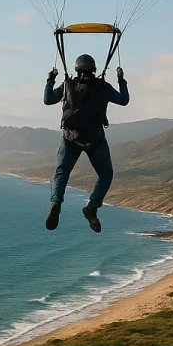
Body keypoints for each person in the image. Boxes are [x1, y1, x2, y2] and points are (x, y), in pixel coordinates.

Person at [43, 54, 129, 232]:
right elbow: (123, 100)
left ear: (77, 69)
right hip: (94, 139)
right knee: (105, 174)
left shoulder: (68, 85)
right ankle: (91, 208)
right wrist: (121, 80)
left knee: (61, 173)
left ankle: (56, 203)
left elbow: (48, 99)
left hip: (70, 138)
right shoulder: (102, 87)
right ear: (94, 70)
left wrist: (50, 80)